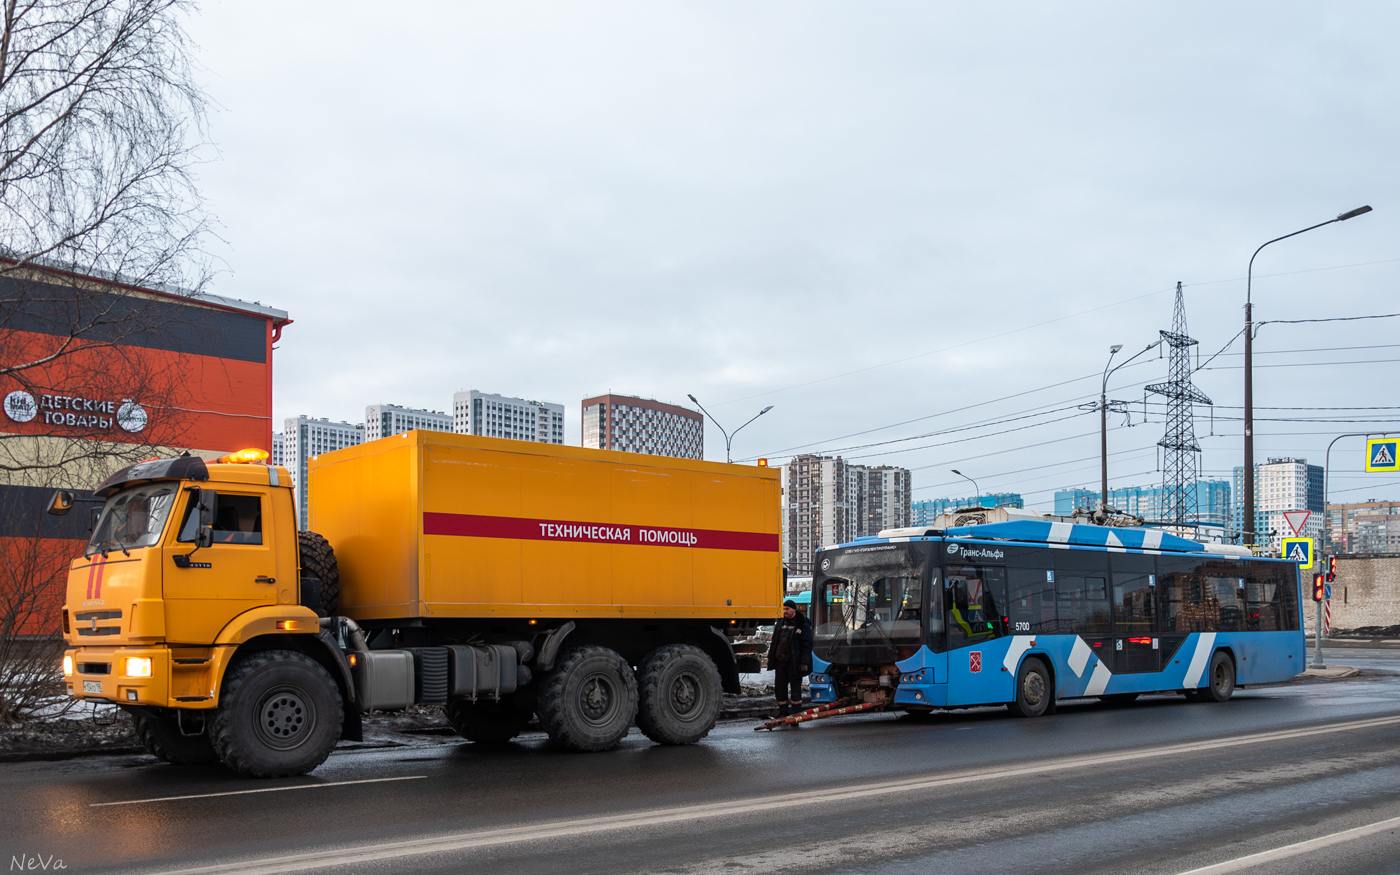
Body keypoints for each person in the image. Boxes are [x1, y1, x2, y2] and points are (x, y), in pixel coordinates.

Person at [767, 599, 813, 718]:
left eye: (787, 609)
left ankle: (795, 712)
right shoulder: (781, 623)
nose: (785, 611)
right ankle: (783, 712)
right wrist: (771, 658)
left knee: (795, 688)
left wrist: (804, 663)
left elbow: (807, 645)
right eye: (784, 609)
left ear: (794, 609)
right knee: (780, 688)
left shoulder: (802, 624)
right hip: (781, 661)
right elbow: (774, 642)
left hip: (794, 663)